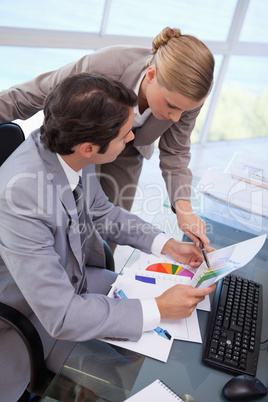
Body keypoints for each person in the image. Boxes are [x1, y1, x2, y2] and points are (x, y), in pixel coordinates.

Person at [0, 73, 215, 401]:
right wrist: (157, 307)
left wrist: (167, 245)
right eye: (124, 133)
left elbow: (101, 210)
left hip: (75, 283)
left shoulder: (69, 145)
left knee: (179, 346)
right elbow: (62, 315)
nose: (132, 137)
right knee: (146, 383)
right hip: (33, 318)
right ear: (89, 148)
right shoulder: (22, 197)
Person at [0, 26, 215, 248]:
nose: (176, 118)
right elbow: (29, 96)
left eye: (184, 111)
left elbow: (176, 152)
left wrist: (184, 209)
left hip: (132, 150)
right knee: (56, 215)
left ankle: (95, 272)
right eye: (171, 106)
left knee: (111, 227)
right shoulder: (104, 66)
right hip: (78, 141)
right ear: (151, 75)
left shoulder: (188, 96)